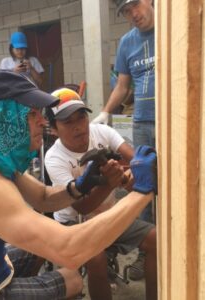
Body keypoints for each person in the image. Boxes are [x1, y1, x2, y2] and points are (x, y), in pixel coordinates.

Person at [0, 70, 158, 300]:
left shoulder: (4, 166)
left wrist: (79, 186)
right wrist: (142, 192)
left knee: (40, 253)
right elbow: (69, 250)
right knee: (72, 279)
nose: (42, 122)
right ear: (4, 120)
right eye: (32, 115)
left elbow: (43, 196)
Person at [45, 87, 157, 300]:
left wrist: (137, 168)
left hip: (108, 215)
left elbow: (133, 159)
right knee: (96, 258)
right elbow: (80, 206)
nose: (79, 127)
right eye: (68, 122)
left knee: (156, 238)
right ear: (53, 129)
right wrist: (108, 183)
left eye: (81, 118)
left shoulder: (101, 132)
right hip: (74, 224)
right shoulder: (54, 158)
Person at [92, 0, 155, 280]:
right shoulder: (127, 42)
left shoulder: (171, 29)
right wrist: (106, 112)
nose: (134, 15)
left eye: (136, 7)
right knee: (143, 186)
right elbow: (122, 84)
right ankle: (150, 250)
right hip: (142, 122)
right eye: (127, 12)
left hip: (175, 120)